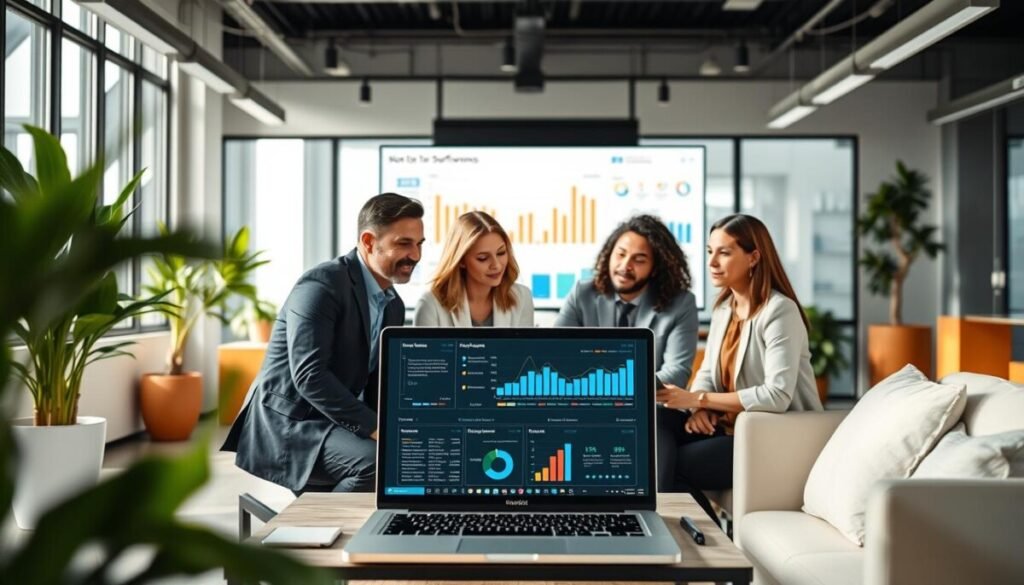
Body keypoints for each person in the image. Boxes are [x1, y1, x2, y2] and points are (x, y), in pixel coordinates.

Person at [222, 193, 425, 493]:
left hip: (335, 420)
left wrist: (406, 425)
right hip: (291, 423)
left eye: (420, 244)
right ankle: (318, 527)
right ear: (368, 242)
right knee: (378, 463)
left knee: (409, 454)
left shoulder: (392, 304)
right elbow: (310, 376)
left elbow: (376, 382)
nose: (416, 255)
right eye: (403, 244)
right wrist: (377, 427)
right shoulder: (321, 285)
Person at [655, 213, 823, 522]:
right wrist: (701, 409)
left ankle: (695, 542)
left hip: (772, 437)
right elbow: (706, 372)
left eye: (724, 252)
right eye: (709, 252)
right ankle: (693, 540)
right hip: (729, 428)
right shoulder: (724, 309)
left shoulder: (779, 311)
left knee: (672, 465)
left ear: (753, 257)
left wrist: (697, 400)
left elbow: (776, 395)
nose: (712, 262)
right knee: (656, 419)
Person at [554, 214, 699, 491]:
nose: (624, 266)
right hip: (586, 409)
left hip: (652, 411)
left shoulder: (680, 304)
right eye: (620, 254)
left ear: (656, 267)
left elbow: (676, 373)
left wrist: (611, 392)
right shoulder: (581, 293)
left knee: (652, 424)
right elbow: (556, 357)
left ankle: (653, 513)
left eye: (639, 260)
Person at [413, 211, 534, 327]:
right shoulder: (430, 305)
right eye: (483, 258)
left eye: (501, 253)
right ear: (461, 261)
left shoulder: (522, 297)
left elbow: (525, 349)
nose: (496, 265)